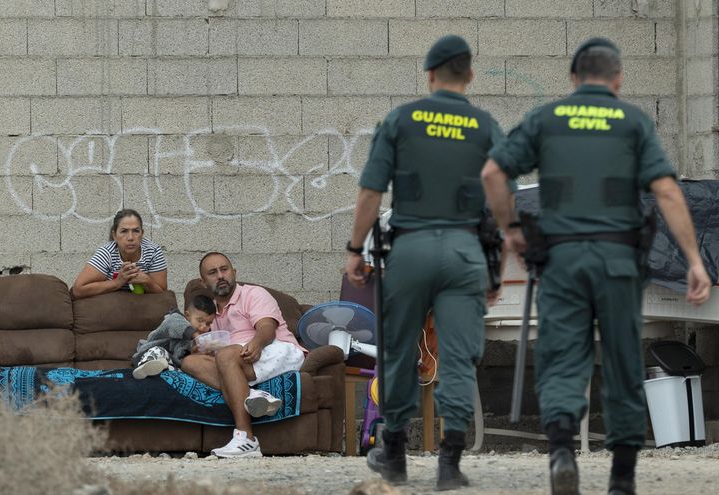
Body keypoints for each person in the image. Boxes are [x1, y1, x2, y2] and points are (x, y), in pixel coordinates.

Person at [481, 37, 712, 495]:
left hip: (562, 261)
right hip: (618, 261)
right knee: (623, 362)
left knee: (564, 358)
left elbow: (492, 174)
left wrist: (510, 229)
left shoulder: (547, 119)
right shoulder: (632, 121)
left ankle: (563, 450)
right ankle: (622, 476)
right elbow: (667, 192)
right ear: (619, 79)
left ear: (572, 78)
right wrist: (693, 259)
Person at [344, 35, 506, 490]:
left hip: (410, 249)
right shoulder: (485, 126)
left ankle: (393, 452)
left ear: (430, 74)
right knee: (457, 356)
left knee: (398, 352)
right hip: (464, 251)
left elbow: (371, 193)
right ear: (469, 74)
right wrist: (497, 268)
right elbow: (501, 201)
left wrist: (355, 250)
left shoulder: (400, 120)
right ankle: (450, 463)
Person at [181, 252, 308, 458]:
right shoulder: (209, 313)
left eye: (225, 269)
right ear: (204, 282)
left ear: (234, 272)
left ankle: (247, 439)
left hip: (276, 347)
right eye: (213, 273)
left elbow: (267, 326)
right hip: (237, 360)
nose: (221, 276)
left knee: (225, 356)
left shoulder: (253, 294)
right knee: (188, 362)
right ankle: (250, 395)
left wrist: (257, 343)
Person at [72, 209, 168, 298]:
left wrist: (147, 281)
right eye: (124, 231)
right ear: (114, 235)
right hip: (112, 307)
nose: (130, 237)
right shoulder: (107, 253)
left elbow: (163, 293)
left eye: (136, 231)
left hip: (143, 307)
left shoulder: (153, 252)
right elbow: (78, 290)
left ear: (142, 234)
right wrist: (118, 282)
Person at [130, 295, 216, 379]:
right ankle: (144, 366)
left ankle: (160, 371)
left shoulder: (194, 341)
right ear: (187, 315)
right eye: (200, 320)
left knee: (182, 372)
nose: (204, 327)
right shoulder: (175, 318)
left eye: (208, 323)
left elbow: (179, 358)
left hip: (169, 362)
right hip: (148, 352)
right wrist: (195, 335)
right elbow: (174, 324)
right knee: (159, 351)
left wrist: (193, 353)